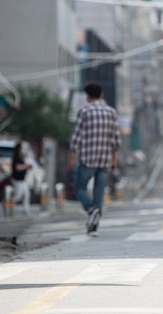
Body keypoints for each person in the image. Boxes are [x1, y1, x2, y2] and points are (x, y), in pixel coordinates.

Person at [69, 81, 121, 236]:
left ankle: (91, 210)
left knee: (79, 188)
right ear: (102, 95)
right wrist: (114, 159)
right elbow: (116, 140)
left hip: (87, 159)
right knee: (99, 192)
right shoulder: (111, 112)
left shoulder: (84, 111)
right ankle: (94, 224)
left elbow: (76, 137)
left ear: (87, 97)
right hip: (105, 159)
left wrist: (72, 157)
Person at [11, 142, 33, 216]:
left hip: (23, 179)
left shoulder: (22, 158)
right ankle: (6, 205)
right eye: (21, 148)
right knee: (18, 196)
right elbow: (18, 168)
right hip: (17, 179)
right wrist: (26, 166)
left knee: (26, 194)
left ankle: (26, 210)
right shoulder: (16, 158)